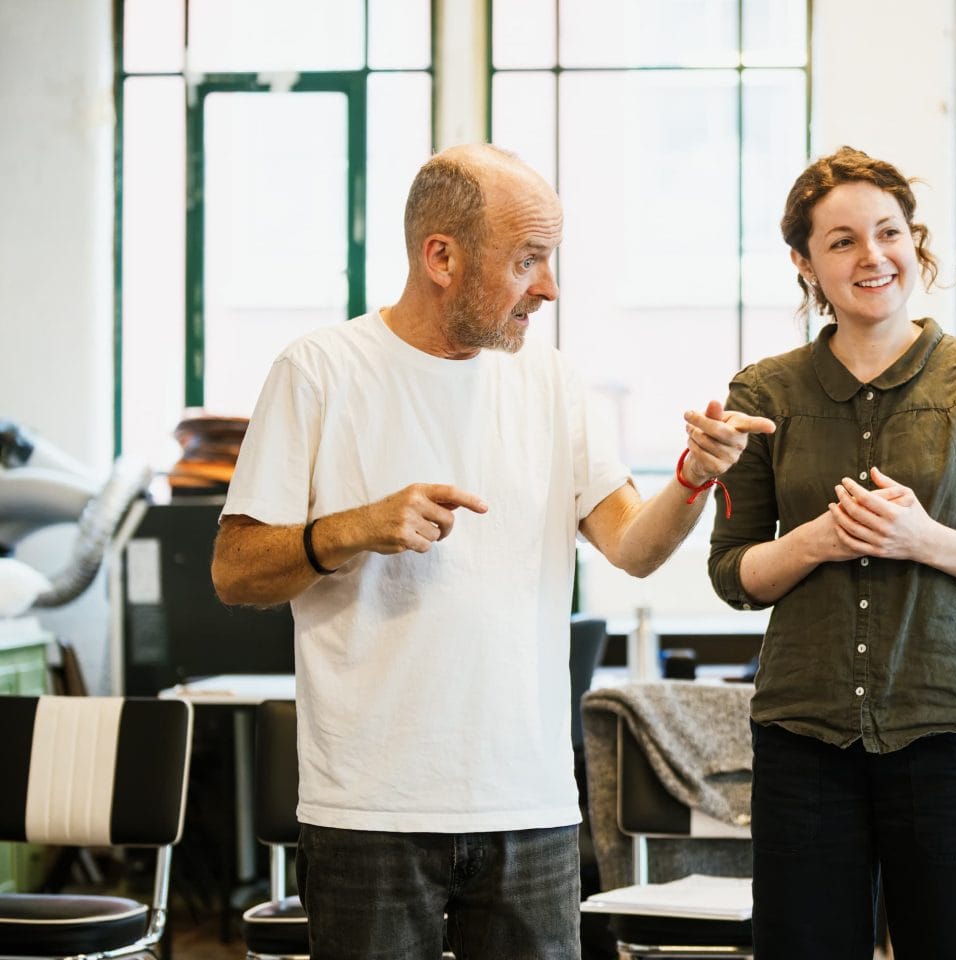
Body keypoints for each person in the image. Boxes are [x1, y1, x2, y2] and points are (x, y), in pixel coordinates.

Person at [210, 143, 775, 960]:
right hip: (371, 810)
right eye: (528, 261)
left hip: (531, 805)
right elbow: (234, 572)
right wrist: (353, 529)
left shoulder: (553, 383)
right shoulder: (320, 372)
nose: (549, 287)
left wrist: (692, 479)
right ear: (441, 256)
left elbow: (632, 547)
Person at [706, 146, 956, 959]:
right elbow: (734, 575)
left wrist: (923, 539)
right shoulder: (763, 393)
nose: (872, 257)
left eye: (888, 232)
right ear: (804, 262)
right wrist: (815, 541)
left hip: (949, 732)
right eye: (841, 241)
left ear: (915, 241)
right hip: (804, 742)